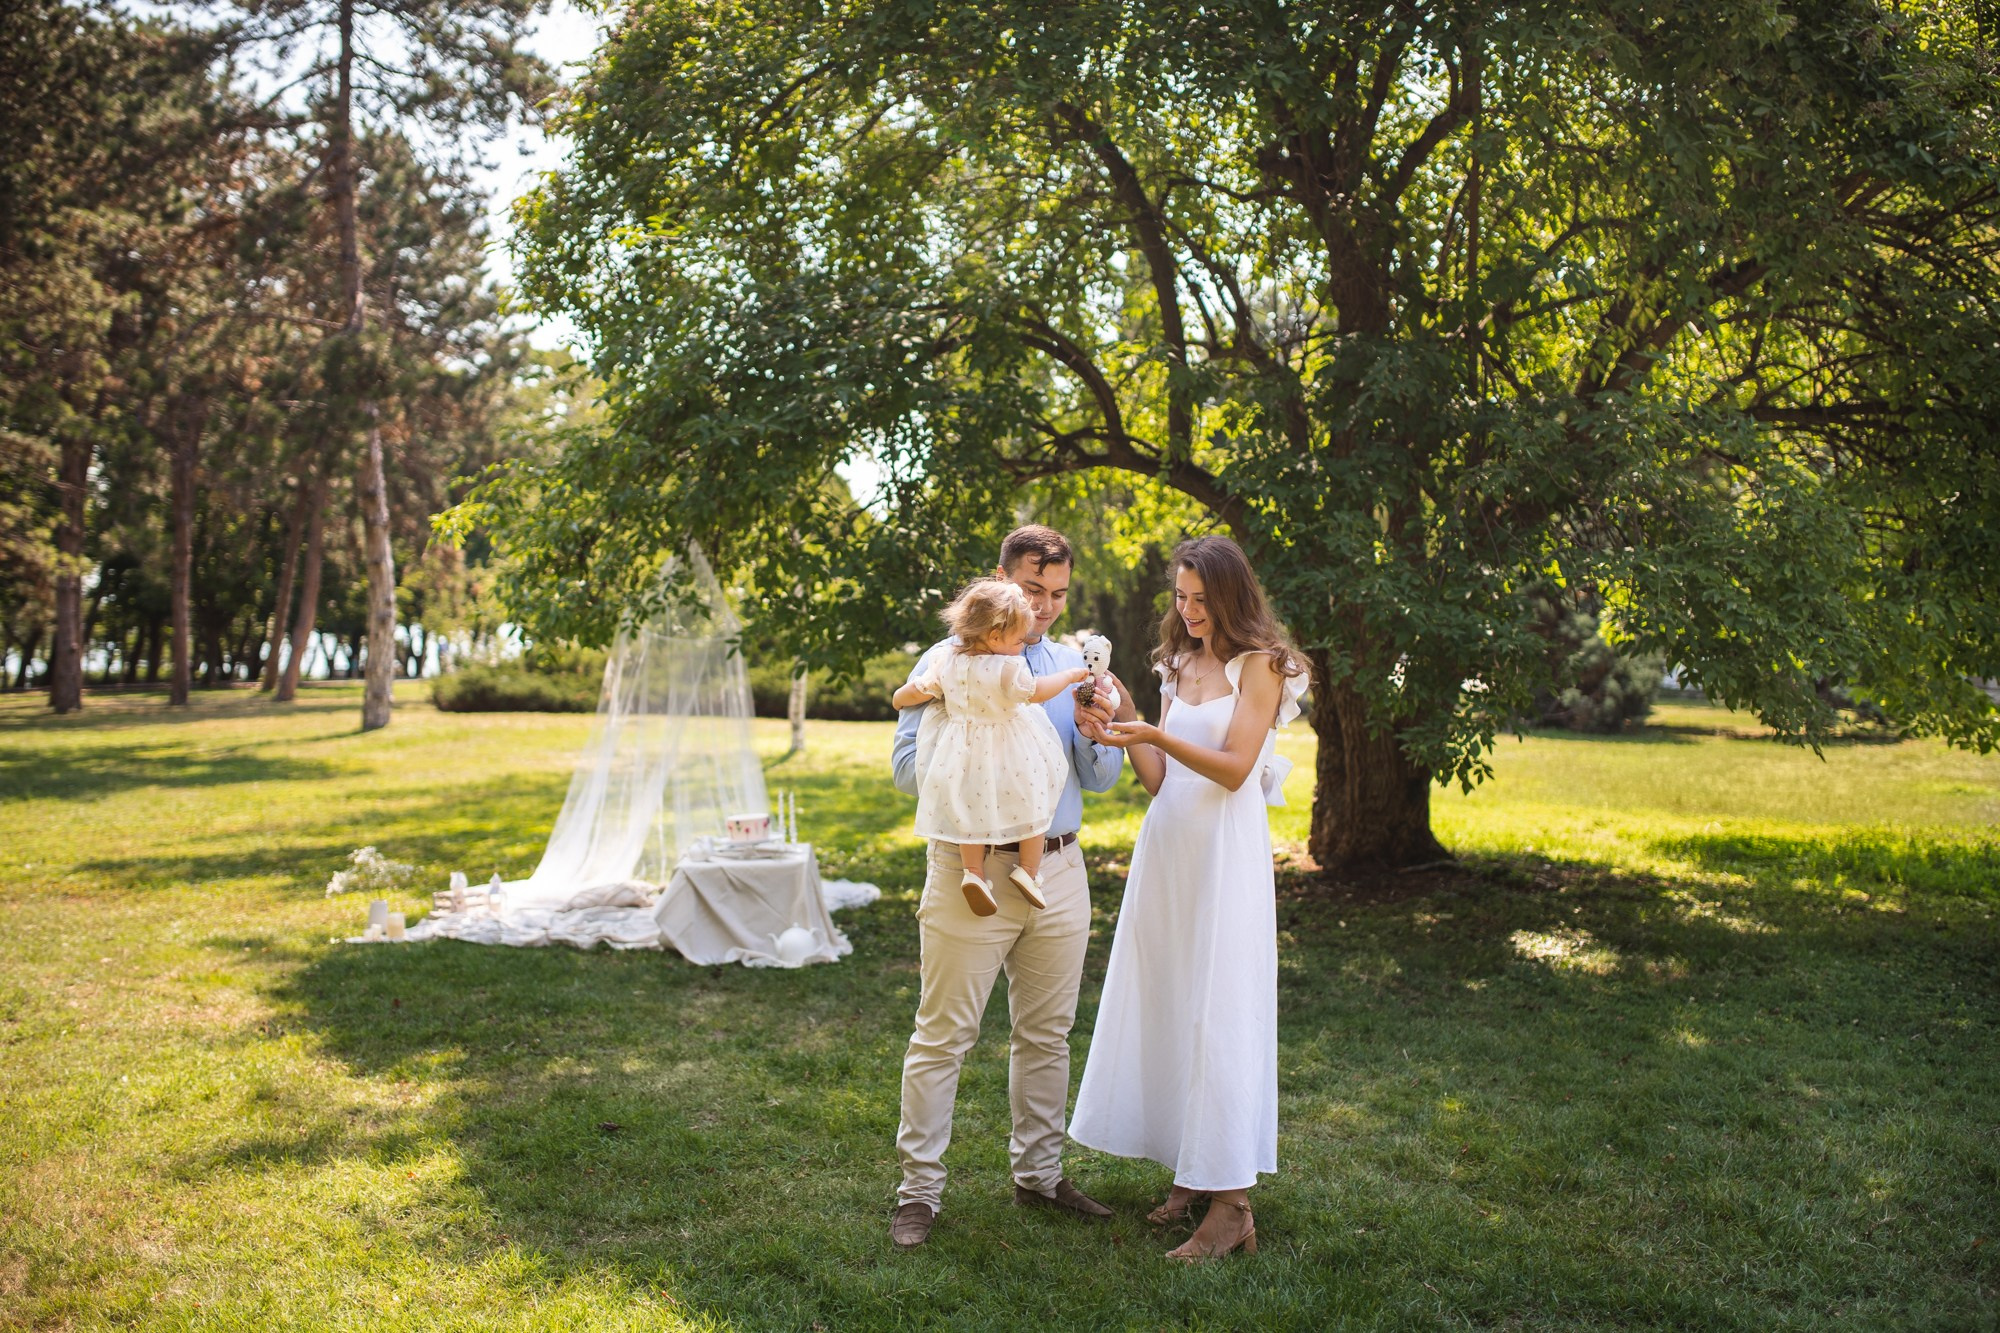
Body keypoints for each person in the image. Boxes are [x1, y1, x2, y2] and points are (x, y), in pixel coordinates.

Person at [887, 525, 1140, 1249]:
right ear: (999, 578)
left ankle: (1040, 1174)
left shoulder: (1070, 667)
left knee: (1047, 1033)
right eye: (1033, 590)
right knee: (943, 1037)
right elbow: (907, 773)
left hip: (1056, 866)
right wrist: (964, 724)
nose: (1046, 607)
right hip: (971, 868)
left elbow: (1097, 777)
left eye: (1059, 594)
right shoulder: (946, 660)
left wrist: (1101, 726)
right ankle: (919, 1193)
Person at [1070, 534, 1310, 1261]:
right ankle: (1190, 1170)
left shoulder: (1263, 666)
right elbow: (1157, 776)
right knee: (1174, 1002)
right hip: (1169, 846)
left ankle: (1231, 1204)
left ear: (1234, 596)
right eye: (1181, 596)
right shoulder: (1178, 661)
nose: (1191, 610)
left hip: (1223, 855)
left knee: (1220, 1008)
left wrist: (1156, 735)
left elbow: (1236, 768)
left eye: (1204, 599)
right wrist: (1122, 724)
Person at [889, 579, 1092, 914]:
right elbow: (1038, 691)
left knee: (969, 813)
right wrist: (1070, 676)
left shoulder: (945, 661)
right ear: (996, 636)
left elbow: (909, 694)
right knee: (1035, 800)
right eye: (1017, 640)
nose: (1020, 647)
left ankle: (973, 873)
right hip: (1013, 753)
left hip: (963, 756)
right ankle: (1028, 871)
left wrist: (901, 697)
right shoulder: (1006, 668)